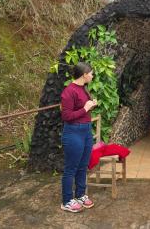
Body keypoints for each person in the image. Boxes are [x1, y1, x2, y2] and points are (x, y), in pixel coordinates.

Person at [60, 62, 97, 213]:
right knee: (71, 168)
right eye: (91, 73)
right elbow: (67, 116)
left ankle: (80, 194)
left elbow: (83, 110)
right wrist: (85, 108)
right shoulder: (68, 91)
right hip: (73, 132)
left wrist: (91, 105)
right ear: (84, 74)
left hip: (86, 131)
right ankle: (67, 200)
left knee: (83, 165)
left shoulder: (83, 88)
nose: (93, 75)